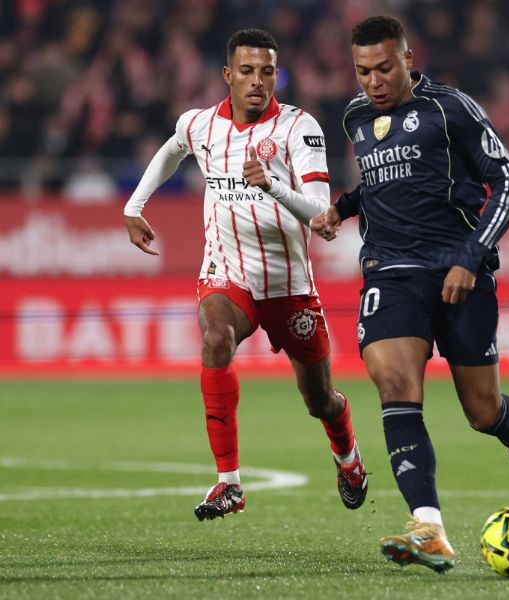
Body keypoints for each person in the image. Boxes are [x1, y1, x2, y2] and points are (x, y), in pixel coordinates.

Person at [311, 16, 509, 572]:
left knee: (482, 409)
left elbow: (508, 182)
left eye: (383, 68)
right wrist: (342, 209)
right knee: (394, 382)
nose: (372, 82)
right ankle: (429, 527)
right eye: (362, 71)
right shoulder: (354, 116)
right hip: (388, 273)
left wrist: (471, 256)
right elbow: (376, 185)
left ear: (406, 58)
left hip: (456, 271)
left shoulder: (451, 109)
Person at [123, 28, 368, 520]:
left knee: (319, 399)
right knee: (214, 338)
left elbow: (321, 211)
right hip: (228, 274)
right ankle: (228, 483)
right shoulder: (200, 125)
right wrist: (135, 205)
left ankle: (349, 459)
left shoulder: (300, 129)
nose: (258, 82)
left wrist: (273, 186)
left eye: (268, 72)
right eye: (248, 71)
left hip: (288, 285)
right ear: (228, 75)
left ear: (277, 75)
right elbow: (173, 148)